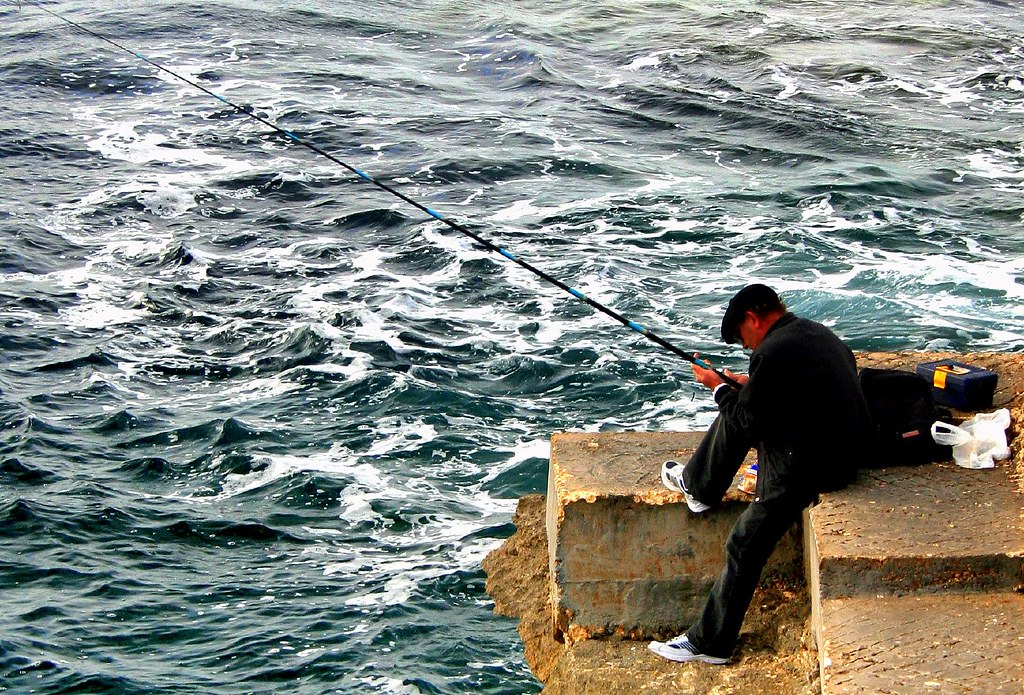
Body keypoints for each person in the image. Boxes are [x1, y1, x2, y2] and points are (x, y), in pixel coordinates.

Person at [648, 284, 873, 665]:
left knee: (744, 542)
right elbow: (805, 390)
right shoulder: (816, 333)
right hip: (845, 453)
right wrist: (747, 385)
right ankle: (698, 485)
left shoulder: (771, 351)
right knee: (742, 399)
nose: (747, 348)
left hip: (810, 467)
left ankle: (709, 643)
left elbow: (747, 425)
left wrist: (717, 386)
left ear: (753, 318)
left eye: (742, 339)